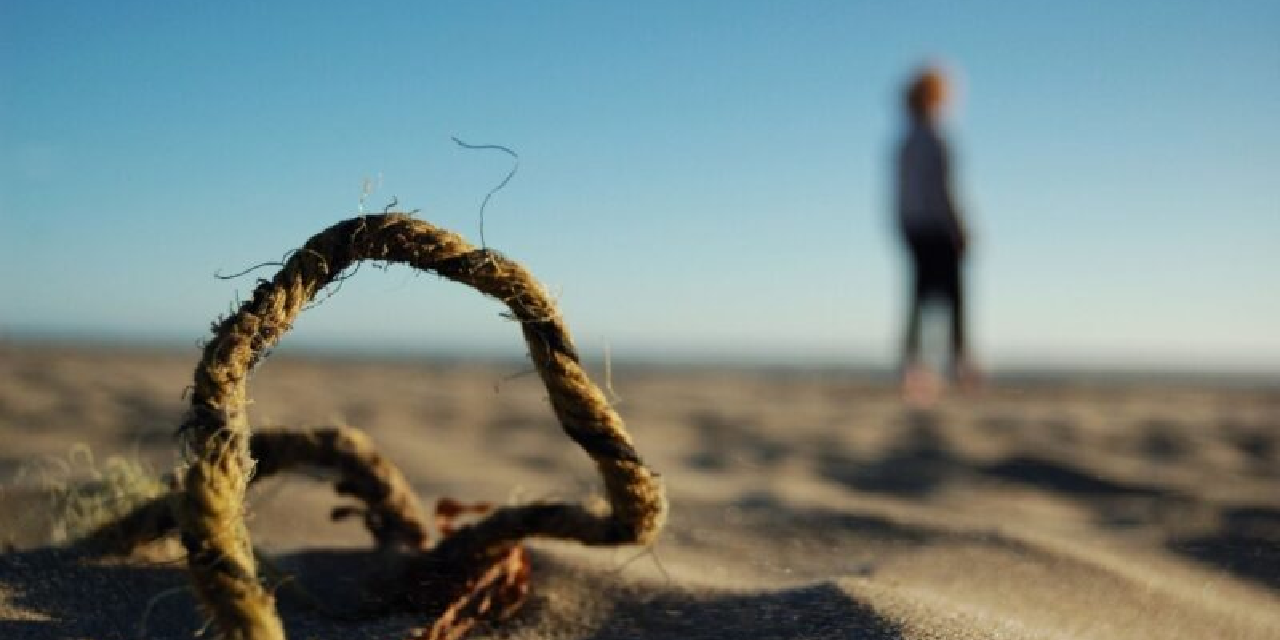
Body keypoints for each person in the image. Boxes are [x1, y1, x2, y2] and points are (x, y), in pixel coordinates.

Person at [894, 65, 979, 399]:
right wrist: (959, 228)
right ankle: (956, 365)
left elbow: (898, 194)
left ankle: (914, 368)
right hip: (937, 230)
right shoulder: (934, 140)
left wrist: (903, 227)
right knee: (953, 299)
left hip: (914, 229)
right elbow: (945, 190)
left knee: (918, 299)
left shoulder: (904, 144)